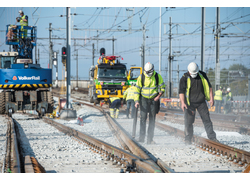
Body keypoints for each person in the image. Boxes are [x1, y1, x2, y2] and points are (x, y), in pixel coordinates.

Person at [179, 62, 218, 145]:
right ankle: (188, 139)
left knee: (207, 119)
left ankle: (212, 137)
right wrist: (182, 103)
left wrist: (211, 98)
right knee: (188, 122)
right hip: (189, 103)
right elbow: (181, 92)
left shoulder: (202, 75)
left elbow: (209, 87)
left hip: (201, 102)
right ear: (189, 71)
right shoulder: (184, 78)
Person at [134, 62, 165, 144]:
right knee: (143, 119)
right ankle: (141, 138)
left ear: (152, 70)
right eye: (146, 72)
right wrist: (136, 101)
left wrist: (158, 97)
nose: (147, 74)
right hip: (143, 99)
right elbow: (137, 91)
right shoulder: (141, 77)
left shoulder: (157, 77)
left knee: (152, 120)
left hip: (153, 100)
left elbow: (162, 88)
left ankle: (150, 139)